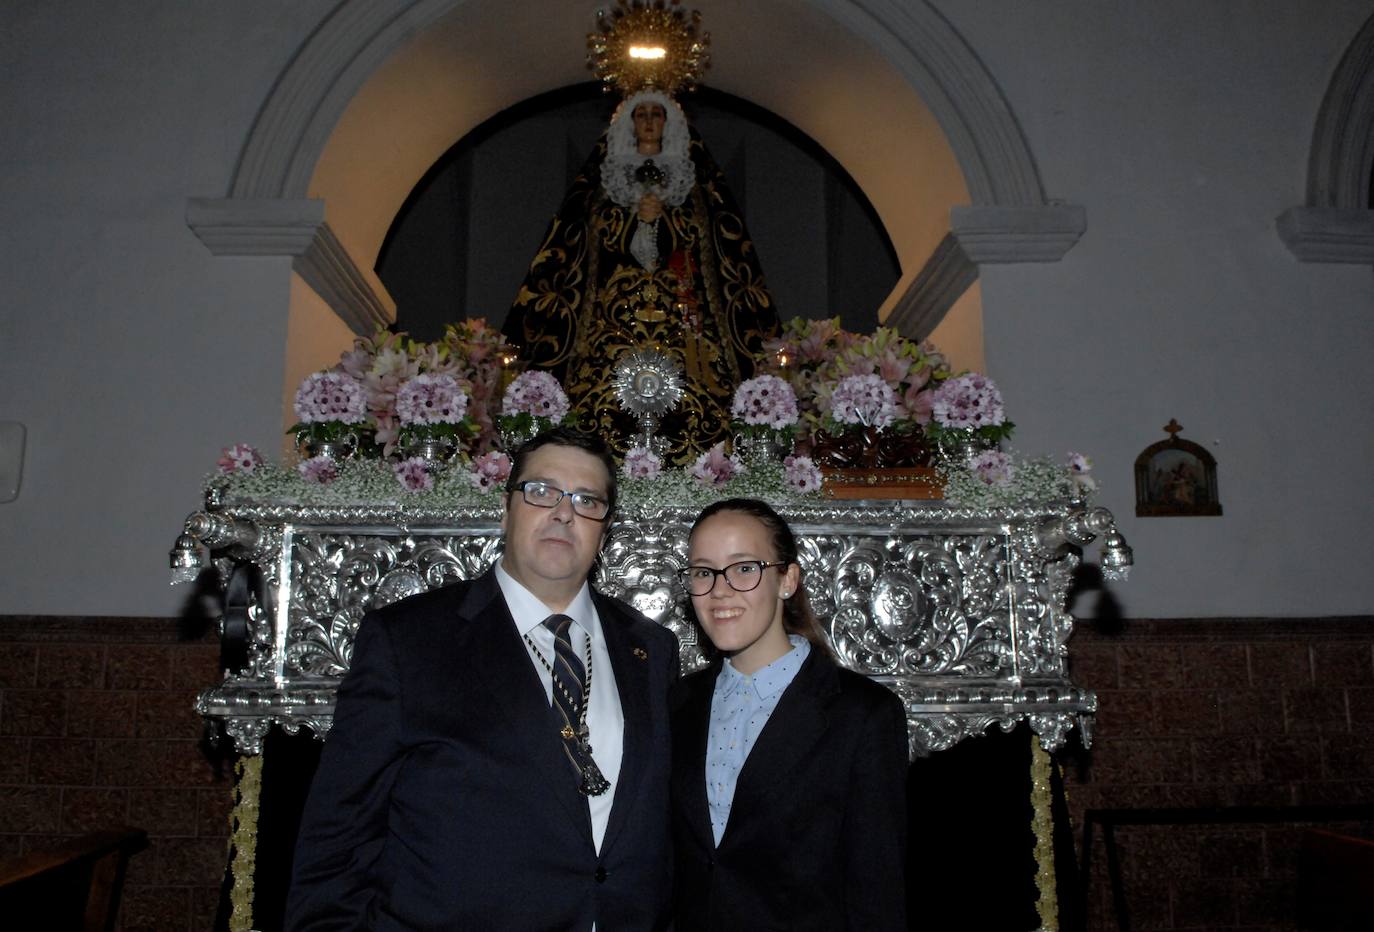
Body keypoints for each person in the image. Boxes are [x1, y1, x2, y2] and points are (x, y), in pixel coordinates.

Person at [285, 428, 679, 930]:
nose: (564, 512)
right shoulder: (408, 640)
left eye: (587, 501)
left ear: (605, 529)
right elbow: (337, 837)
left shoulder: (649, 649)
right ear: (506, 509)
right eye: (542, 492)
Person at [670, 498, 909, 931]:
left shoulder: (862, 713)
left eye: (744, 568)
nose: (719, 590)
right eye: (704, 572)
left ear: (787, 579)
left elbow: (878, 886)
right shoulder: (676, 704)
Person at [504, 89, 780, 463]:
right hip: (613, 310)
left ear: (670, 124)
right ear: (629, 123)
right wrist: (632, 215)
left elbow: (713, 241)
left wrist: (666, 217)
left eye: (657, 114)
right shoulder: (605, 180)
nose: (649, 122)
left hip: (681, 309)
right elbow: (583, 241)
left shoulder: (692, 181)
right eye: (641, 115)